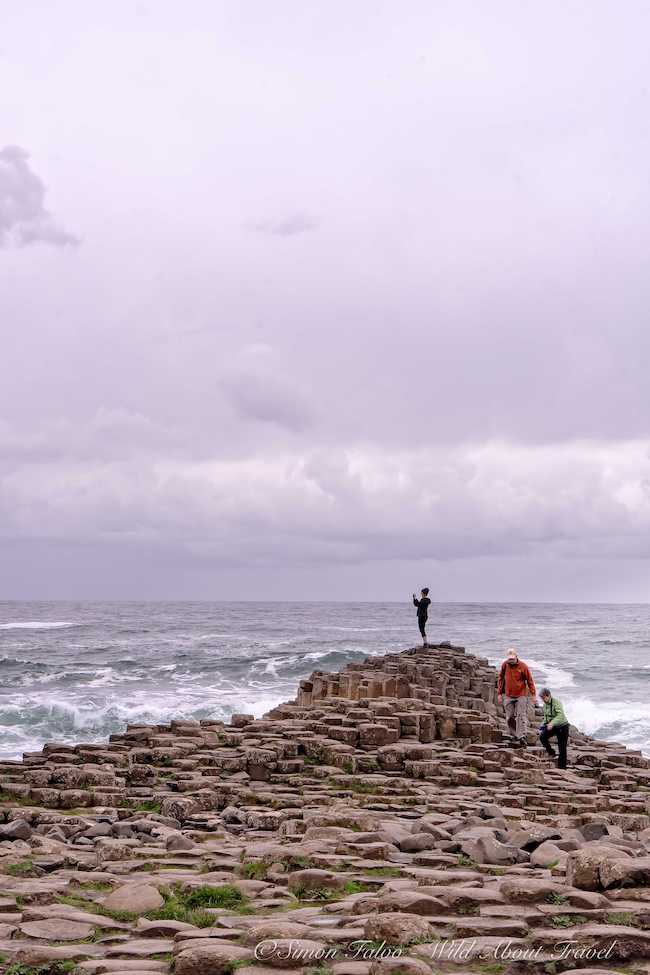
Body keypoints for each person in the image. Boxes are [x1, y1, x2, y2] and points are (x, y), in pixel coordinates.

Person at [497, 648, 536, 747]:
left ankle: (521, 736)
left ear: (516, 657)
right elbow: (501, 678)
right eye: (509, 659)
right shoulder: (505, 665)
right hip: (508, 695)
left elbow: (530, 681)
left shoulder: (523, 666)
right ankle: (514, 734)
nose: (511, 661)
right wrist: (499, 693)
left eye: (512, 659)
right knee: (509, 716)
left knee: (521, 715)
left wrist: (533, 695)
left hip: (521, 695)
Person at [539, 687, 570, 769]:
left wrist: (552, 723)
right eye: (541, 698)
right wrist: (542, 725)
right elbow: (546, 717)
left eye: (543, 697)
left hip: (563, 727)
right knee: (542, 737)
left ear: (548, 695)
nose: (542, 699)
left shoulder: (557, 702)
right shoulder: (545, 705)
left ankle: (562, 768)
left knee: (562, 748)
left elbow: (560, 715)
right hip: (553, 726)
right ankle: (551, 752)